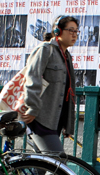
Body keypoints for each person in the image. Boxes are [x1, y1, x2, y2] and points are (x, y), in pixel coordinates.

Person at [20, 15, 78, 153]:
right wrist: (33, 108)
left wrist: (68, 124)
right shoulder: (46, 49)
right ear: (58, 31)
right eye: (70, 30)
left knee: (43, 166)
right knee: (57, 164)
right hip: (41, 119)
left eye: (76, 31)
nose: (74, 35)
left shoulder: (66, 56)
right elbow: (32, 78)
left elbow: (68, 91)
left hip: (55, 120)